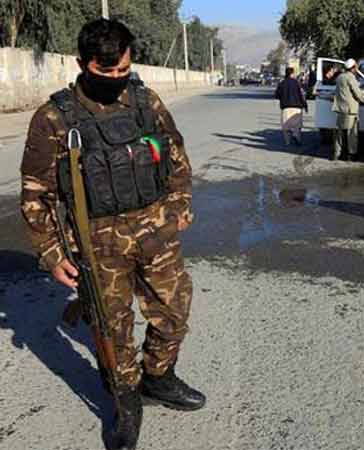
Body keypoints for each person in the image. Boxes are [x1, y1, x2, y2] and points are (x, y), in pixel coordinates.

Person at [20, 19, 205, 450]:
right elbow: (35, 192)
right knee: (112, 330)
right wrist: (50, 252)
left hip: (156, 232)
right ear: (82, 63)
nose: (117, 80)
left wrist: (178, 208)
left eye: (123, 70)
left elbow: (175, 156)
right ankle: (125, 403)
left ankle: (158, 377)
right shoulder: (54, 117)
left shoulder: (146, 101)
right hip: (97, 244)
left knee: (174, 313)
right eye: (107, 74)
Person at [332, 58, 364, 161]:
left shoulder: (340, 77)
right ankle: (351, 154)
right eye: (356, 66)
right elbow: (357, 93)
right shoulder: (351, 78)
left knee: (339, 133)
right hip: (350, 110)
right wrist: (363, 97)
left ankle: (337, 154)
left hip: (340, 108)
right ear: (353, 67)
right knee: (351, 134)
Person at [275, 66, 308, 146]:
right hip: (297, 107)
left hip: (286, 107)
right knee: (297, 126)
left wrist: (283, 97)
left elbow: (277, 95)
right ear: (292, 73)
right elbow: (301, 95)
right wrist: (305, 105)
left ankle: (287, 142)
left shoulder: (282, 83)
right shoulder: (297, 83)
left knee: (286, 127)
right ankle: (296, 135)